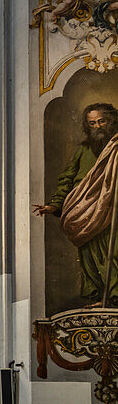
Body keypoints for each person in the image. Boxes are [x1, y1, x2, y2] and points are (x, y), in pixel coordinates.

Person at [34, 102, 118, 307]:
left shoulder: (116, 147)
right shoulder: (83, 150)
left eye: (101, 121)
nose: (97, 126)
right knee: (88, 253)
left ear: (111, 121)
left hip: (112, 211)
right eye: (92, 123)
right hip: (85, 211)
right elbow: (67, 178)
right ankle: (99, 297)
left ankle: (114, 297)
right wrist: (55, 205)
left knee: (112, 252)